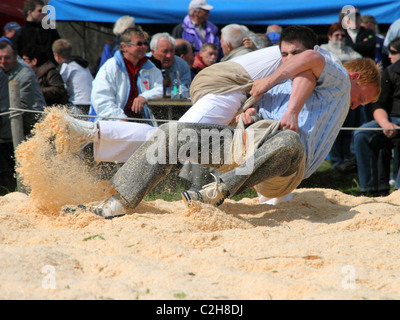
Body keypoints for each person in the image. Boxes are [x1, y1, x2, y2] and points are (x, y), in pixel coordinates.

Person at [57, 51, 381, 218]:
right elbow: (311, 59)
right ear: (355, 75)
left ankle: (216, 191)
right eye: (363, 97)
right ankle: (118, 203)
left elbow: (307, 67)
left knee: (289, 139)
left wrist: (285, 105)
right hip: (247, 144)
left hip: (285, 165)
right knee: (172, 134)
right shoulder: (336, 72)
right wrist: (263, 99)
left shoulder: (312, 83)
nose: (358, 106)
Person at [353, 37, 400, 196]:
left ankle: (398, 193)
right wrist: (385, 123)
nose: (389, 56)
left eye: (392, 52)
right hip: (392, 120)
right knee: (361, 134)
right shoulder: (390, 72)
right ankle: (369, 191)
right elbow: (379, 105)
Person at [89, 27, 162, 123]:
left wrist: (144, 97)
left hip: (142, 122)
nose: (143, 47)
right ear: (124, 47)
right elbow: (101, 100)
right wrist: (120, 119)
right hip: (112, 123)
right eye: (139, 44)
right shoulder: (110, 67)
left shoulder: (151, 67)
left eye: (145, 44)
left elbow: (161, 89)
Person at [320, 23, 362, 172]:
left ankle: (347, 161)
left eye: (342, 35)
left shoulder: (351, 51)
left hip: (349, 96)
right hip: (330, 97)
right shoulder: (323, 50)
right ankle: (335, 161)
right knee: (334, 128)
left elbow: (360, 63)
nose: (340, 38)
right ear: (330, 36)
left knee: (347, 128)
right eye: (336, 35)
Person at [0, 40, 46, 136]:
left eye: (7, 58)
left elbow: (22, 106)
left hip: (29, 124)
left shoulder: (25, 74)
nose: (3, 61)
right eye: (0, 58)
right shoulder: (2, 71)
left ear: (15, 58)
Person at [52, 39, 93, 114]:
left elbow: (59, 85)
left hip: (78, 104)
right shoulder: (81, 64)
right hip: (91, 103)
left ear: (57, 55)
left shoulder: (66, 66)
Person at [148, 32, 192, 97]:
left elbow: (184, 90)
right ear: (153, 51)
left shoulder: (182, 65)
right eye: (165, 51)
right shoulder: (144, 64)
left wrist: (170, 94)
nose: (169, 55)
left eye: (172, 51)